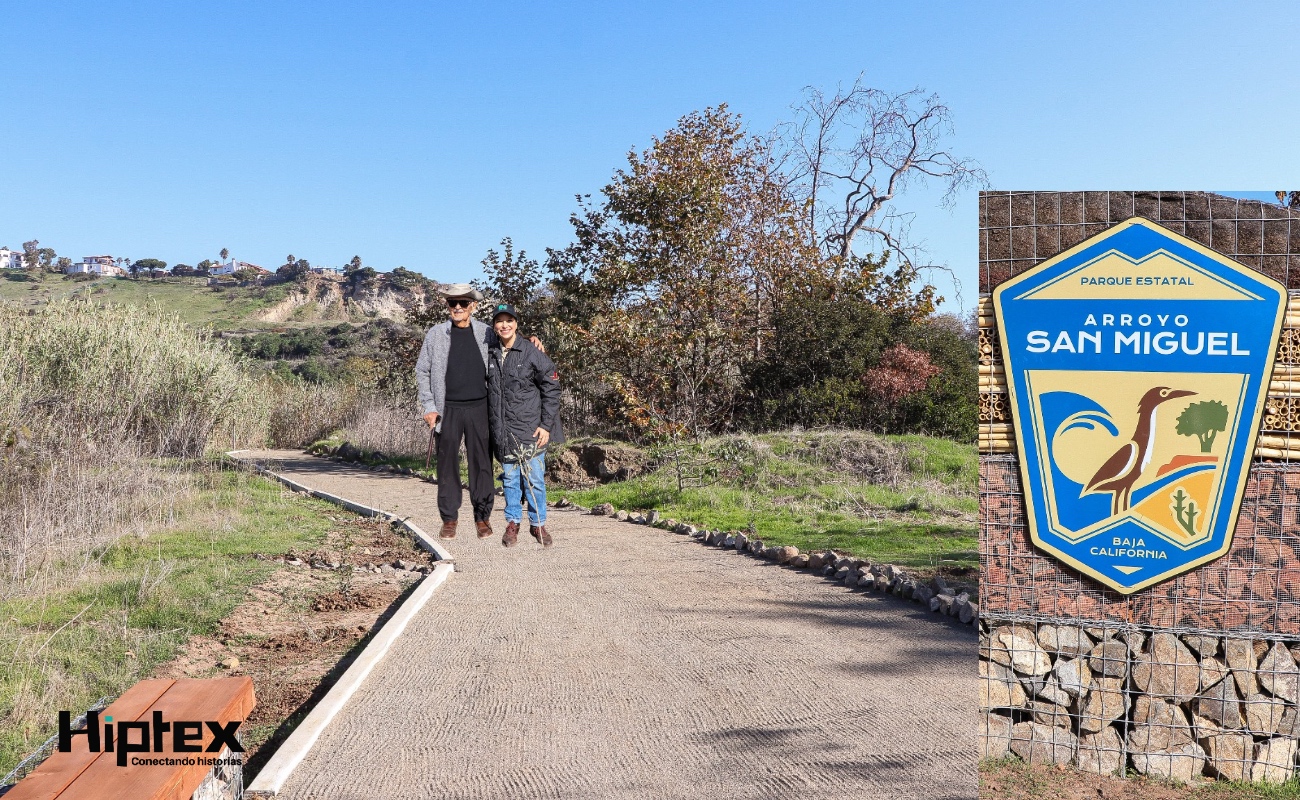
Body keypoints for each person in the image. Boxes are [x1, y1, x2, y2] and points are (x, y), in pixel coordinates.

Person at [414, 285, 497, 539]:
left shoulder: (487, 332)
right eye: (452, 303)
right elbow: (422, 371)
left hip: (480, 407)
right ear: (448, 306)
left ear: (473, 305)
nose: (457, 307)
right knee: (447, 465)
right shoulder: (436, 334)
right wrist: (429, 407)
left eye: (462, 303)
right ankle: (449, 519)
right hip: (447, 409)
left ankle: (482, 517)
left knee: (482, 464)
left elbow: (510, 346)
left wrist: (532, 342)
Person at [486, 303, 563, 547]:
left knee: (535, 480)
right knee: (509, 481)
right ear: (494, 326)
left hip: (531, 430)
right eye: (500, 321)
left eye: (509, 320)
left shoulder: (530, 351)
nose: (504, 325)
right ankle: (513, 523)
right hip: (503, 432)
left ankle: (538, 524)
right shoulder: (490, 353)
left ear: (516, 324)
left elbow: (552, 387)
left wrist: (546, 425)